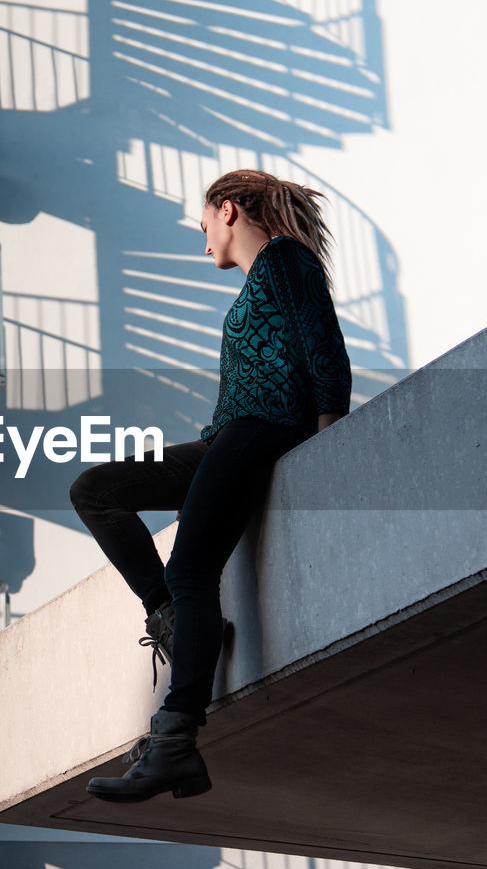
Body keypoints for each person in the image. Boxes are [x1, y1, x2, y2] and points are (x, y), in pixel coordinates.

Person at [69, 169, 351, 802]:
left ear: (228, 210)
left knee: (192, 569)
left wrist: (334, 439)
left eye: (204, 228)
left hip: (264, 429)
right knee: (96, 489)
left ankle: (174, 742)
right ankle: (168, 619)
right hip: (228, 435)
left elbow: (324, 346)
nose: (204, 245)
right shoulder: (257, 283)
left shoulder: (284, 259)